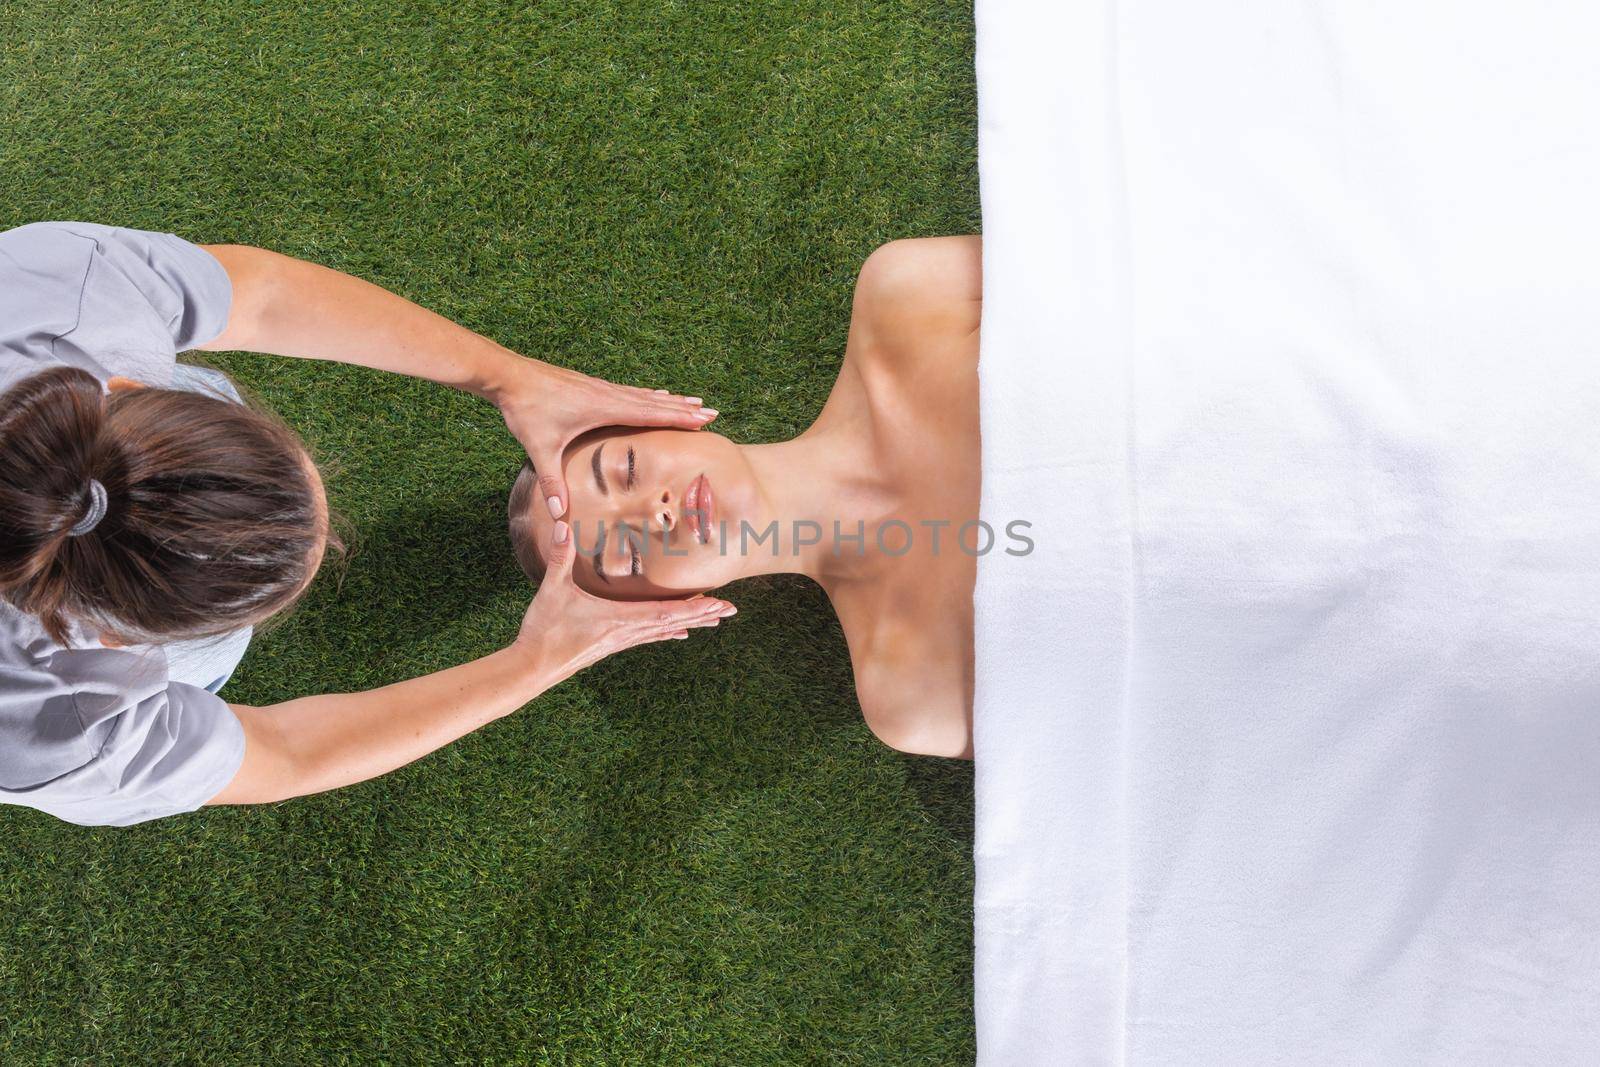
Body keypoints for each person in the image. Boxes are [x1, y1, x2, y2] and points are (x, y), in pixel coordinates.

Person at [0, 221, 735, 827]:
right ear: (111, 638)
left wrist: (511, 376)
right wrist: (535, 660)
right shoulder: (60, 726)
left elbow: (264, 296)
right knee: (202, 663)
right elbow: (281, 752)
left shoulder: (53, 300)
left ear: (119, 384)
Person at [509, 236, 985, 759]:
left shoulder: (905, 299)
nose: (655, 512)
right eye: (627, 555)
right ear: (667, 608)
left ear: (654, 417)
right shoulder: (911, 695)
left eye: (627, 470)